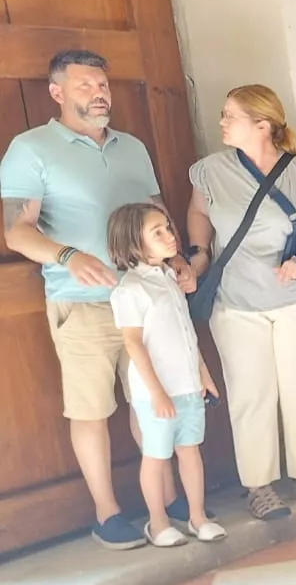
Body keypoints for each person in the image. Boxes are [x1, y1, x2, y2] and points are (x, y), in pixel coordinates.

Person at [1, 49, 185, 549]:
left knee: (151, 400)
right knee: (91, 410)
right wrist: (67, 255)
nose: (99, 93)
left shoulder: (132, 147)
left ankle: (167, 502)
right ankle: (107, 514)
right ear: (56, 92)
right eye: (85, 85)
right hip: (82, 302)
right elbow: (16, 231)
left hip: (145, 297)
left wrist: (174, 261)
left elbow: (154, 211)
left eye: (102, 85)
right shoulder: (30, 149)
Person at [187, 85, 296, 520]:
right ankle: (259, 485)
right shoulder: (209, 171)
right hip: (236, 302)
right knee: (249, 394)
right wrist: (199, 253)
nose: (221, 122)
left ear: (262, 124)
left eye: (230, 115)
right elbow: (198, 214)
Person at [107, 203, 226, 546]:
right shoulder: (130, 290)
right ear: (132, 243)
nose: (169, 236)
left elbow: (186, 332)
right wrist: (156, 392)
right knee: (156, 456)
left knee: (190, 451)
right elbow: (133, 343)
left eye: (167, 228)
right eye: (156, 232)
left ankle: (198, 517)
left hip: (187, 386)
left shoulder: (171, 279)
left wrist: (203, 374)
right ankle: (158, 523)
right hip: (156, 393)